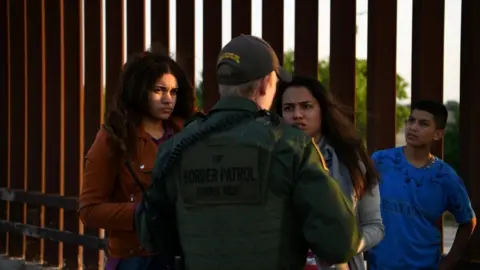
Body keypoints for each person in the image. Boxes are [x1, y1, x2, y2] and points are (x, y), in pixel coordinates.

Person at [134, 34, 361, 270]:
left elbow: (150, 236)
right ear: (265, 84)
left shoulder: (176, 147)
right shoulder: (291, 145)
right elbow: (340, 243)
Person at [78, 44, 196, 270]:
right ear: (139, 90)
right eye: (159, 90)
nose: (167, 99)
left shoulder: (187, 133)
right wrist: (142, 212)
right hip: (135, 258)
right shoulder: (114, 138)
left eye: (173, 92)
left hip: (181, 255)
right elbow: (89, 210)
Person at [274, 76, 384, 270]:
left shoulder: (351, 160)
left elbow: (375, 226)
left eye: (306, 106)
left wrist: (346, 247)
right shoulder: (269, 157)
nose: (297, 115)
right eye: (288, 108)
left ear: (322, 111)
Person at [366, 100, 477, 270]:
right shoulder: (381, 160)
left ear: (438, 134)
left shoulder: (445, 177)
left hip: (424, 266)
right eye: (411, 121)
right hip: (378, 265)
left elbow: (468, 222)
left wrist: (448, 262)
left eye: (423, 124)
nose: (413, 127)